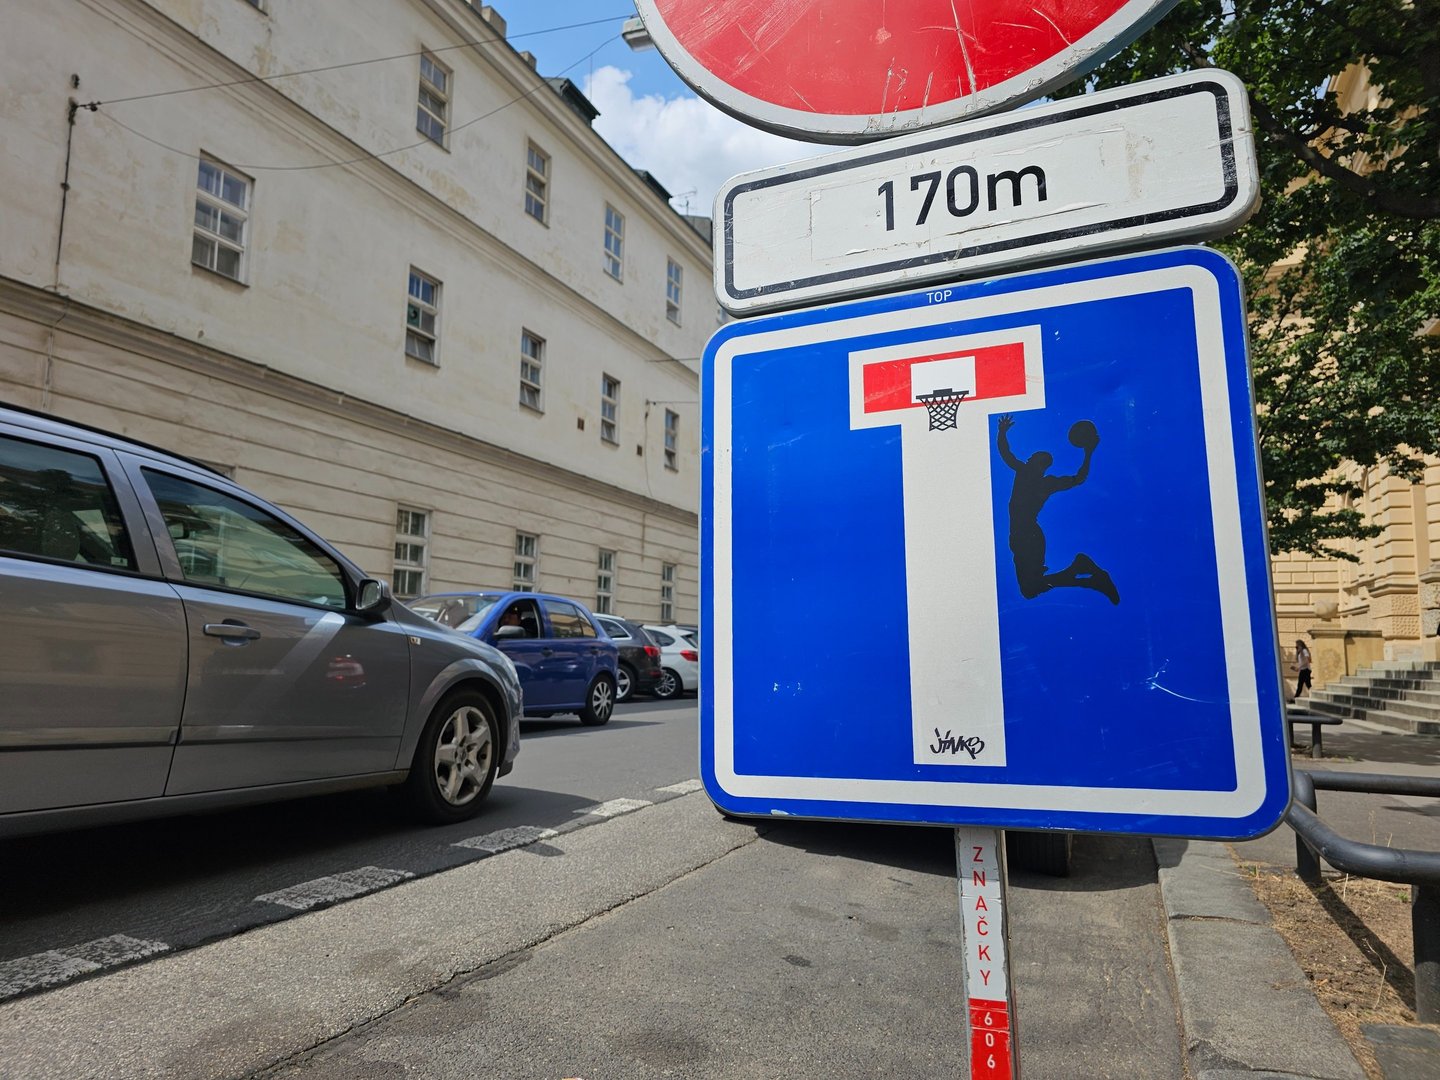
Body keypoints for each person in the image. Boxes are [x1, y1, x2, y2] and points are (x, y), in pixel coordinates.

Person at [995, 414, 1119, 605]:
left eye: (1035, 458)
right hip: (1023, 536)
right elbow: (1079, 478)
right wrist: (1088, 453)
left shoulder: (1030, 475)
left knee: (1030, 589)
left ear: (1038, 464)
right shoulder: (1046, 482)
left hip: (1027, 535)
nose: (1029, 459)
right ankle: (1081, 571)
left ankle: (1082, 571)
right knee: (1031, 589)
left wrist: (1002, 432)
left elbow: (1006, 453)